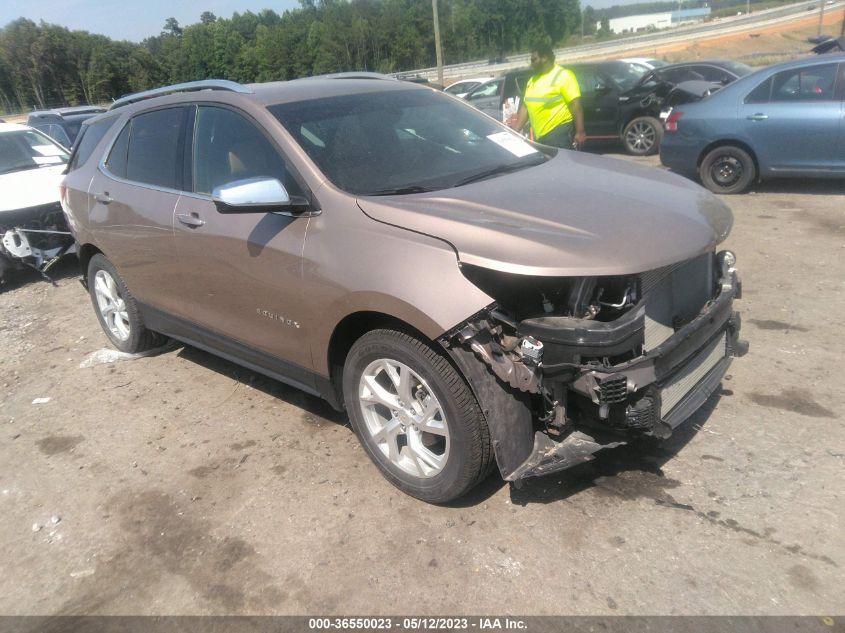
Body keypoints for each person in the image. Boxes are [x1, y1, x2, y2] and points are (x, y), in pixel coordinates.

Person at [510, 43, 586, 150]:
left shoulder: (563, 75)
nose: (531, 64)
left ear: (544, 58)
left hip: (558, 134)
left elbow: (575, 104)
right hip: (539, 136)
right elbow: (525, 107)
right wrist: (515, 132)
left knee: (560, 166)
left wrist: (580, 132)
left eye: (534, 60)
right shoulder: (532, 80)